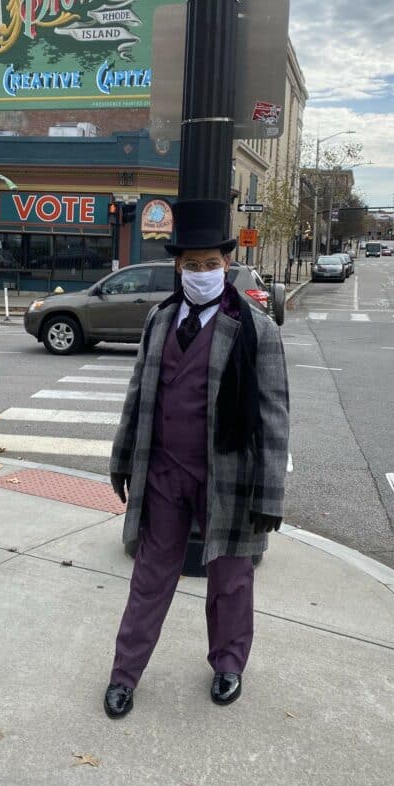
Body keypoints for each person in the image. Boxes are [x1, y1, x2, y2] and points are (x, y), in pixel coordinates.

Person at [104, 199, 290, 719]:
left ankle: (228, 663)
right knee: (150, 575)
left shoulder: (256, 329)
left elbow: (275, 418)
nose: (203, 272)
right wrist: (122, 459)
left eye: (212, 264)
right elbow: (139, 396)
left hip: (228, 478)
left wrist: (270, 494)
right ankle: (125, 674)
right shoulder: (159, 320)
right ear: (178, 266)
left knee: (231, 578)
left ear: (227, 265)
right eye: (192, 264)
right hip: (164, 472)